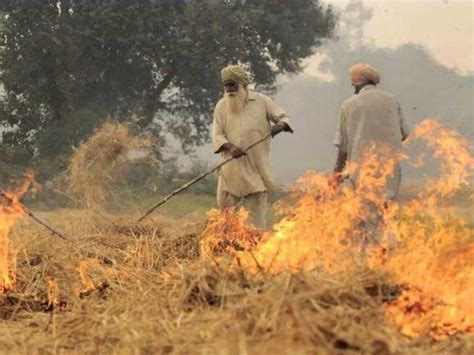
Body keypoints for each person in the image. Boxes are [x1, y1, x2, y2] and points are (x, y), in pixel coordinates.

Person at [332, 63, 410, 255]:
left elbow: (343, 145)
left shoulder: (349, 104)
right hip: (390, 168)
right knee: (384, 210)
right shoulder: (391, 100)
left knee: (364, 215)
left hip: (361, 168)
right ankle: (384, 254)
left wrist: (336, 171)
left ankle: (368, 259)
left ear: (357, 82)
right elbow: (404, 134)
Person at [212, 65, 293, 230]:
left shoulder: (262, 101)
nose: (229, 89)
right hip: (230, 170)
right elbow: (217, 134)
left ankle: (256, 249)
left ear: (242, 84)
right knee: (225, 221)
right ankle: (224, 248)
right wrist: (231, 147)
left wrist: (281, 125)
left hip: (256, 169)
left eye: (232, 85)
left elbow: (283, 117)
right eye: (226, 85)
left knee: (255, 225)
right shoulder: (221, 106)